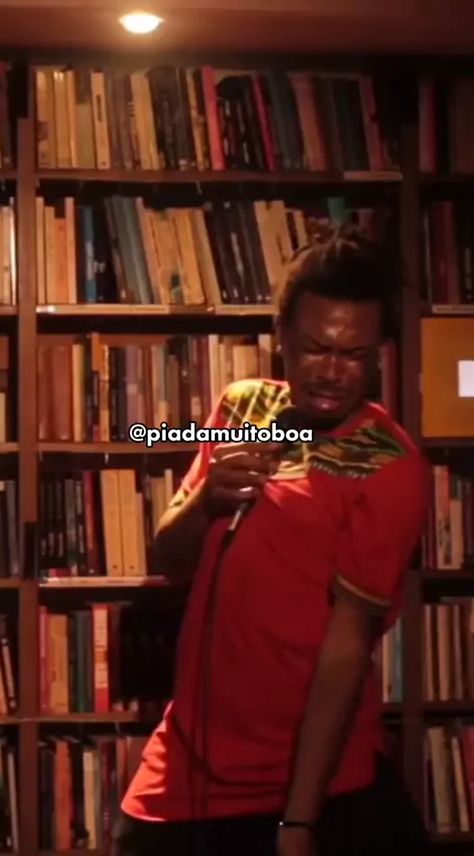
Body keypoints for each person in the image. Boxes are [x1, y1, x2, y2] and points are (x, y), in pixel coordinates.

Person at [114, 223, 432, 856]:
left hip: (306, 779)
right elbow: (168, 558)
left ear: (379, 354)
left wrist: (299, 821)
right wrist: (206, 499)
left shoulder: (391, 465)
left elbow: (346, 650)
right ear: (280, 334)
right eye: (315, 348)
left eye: (354, 355)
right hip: (188, 761)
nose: (333, 372)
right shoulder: (243, 407)